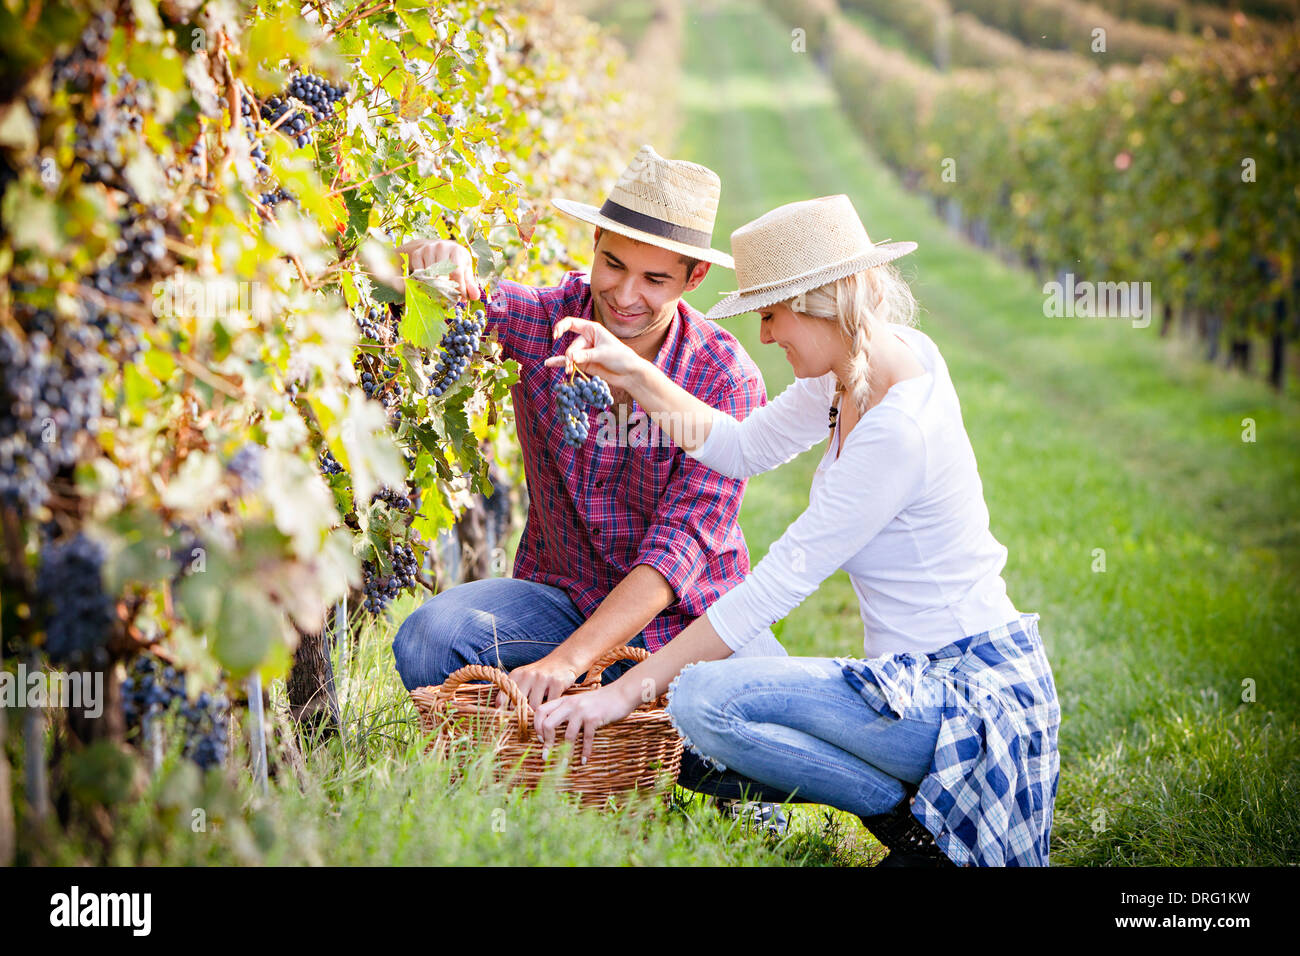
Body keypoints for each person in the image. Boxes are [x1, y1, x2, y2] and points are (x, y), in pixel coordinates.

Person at [533, 194, 1062, 867]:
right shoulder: (859, 366)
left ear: (822, 304)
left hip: (963, 696)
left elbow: (776, 585)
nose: (765, 335)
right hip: (914, 681)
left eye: (772, 313)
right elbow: (741, 446)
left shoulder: (896, 429)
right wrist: (636, 371)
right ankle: (916, 826)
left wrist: (619, 694)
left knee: (698, 699)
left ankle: (913, 829)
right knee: (700, 713)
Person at [391, 145, 789, 820]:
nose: (625, 295)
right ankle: (571, 765)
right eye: (613, 263)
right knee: (429, 639)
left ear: (692, 278)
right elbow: (448, 290)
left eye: (655, 279)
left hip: (688, 622)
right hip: (560, 602)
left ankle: (717, 783)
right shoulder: (545, 321)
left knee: (777, 727)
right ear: (594, 241)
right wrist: (431, 261)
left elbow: (674, 558)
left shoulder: (725, 381)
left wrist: (570, 663)